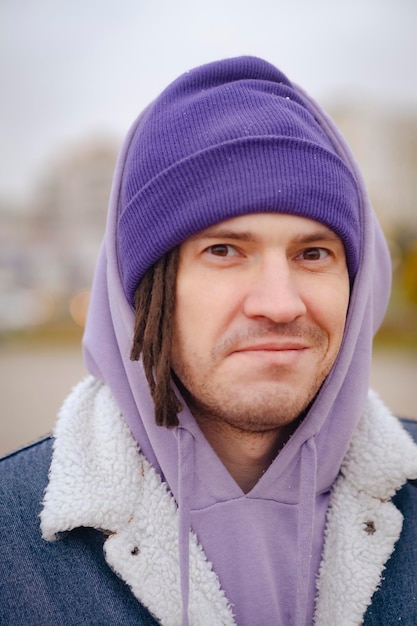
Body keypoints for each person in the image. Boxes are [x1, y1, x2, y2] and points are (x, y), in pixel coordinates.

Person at [1, 56, 417, 626]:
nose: (279, 303)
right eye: (224, 250)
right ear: (145, 291)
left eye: (313, 253)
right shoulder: (11, 542)